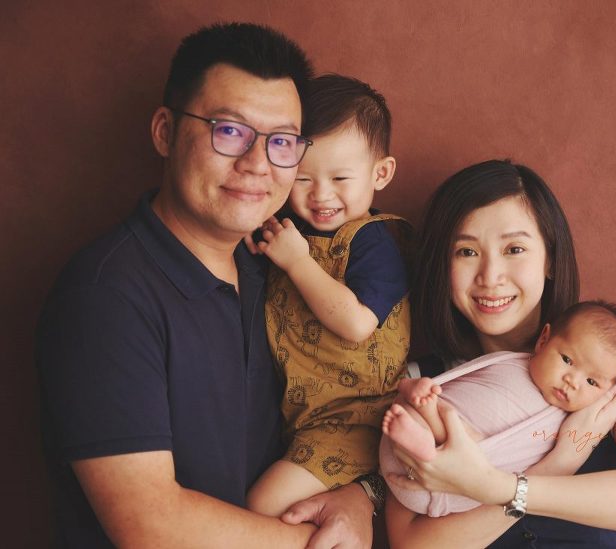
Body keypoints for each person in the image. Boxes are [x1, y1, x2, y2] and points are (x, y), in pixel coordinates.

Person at [36, 23, 377, 548]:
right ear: (165, 132)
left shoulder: (280, 273)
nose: (257, 164)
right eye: (230, 131)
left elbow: (345, 408)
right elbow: (151, 526)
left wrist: (361, 498)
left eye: (282, 142)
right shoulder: (105, 296)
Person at [384, 160, 616, 548]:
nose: (490, 276)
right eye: (465, 251)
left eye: (514, 249)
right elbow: (413, 545)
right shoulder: (425, 384)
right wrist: (557, 465)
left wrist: (497, 487)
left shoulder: (615, 364)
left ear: (549, 259)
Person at [244, 74, 411, 516]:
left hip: (357, 420)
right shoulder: (287, 228)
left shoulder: (373, 242)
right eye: (302, 179)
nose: (321, 195)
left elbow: (358, 324)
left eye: (340, 177)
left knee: (265, 503)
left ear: (381, 173)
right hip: (299, 416)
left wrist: (298, 262)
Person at [380, 300, 616, 518]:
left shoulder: (560, 423)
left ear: (608, 393)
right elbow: (461, 381)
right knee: (430, 397)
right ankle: (414, 395)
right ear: (544, 340)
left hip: (443, 480)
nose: (573, 381)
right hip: (404, 435)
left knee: (464, 435)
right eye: (567, 360)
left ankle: (426, 435)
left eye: (592, 382)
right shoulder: (513, 361)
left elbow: (507, 467)